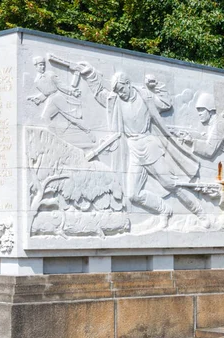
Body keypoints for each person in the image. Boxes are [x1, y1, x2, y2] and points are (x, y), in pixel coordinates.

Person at [76, 63, 209, 229]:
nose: (120, 93)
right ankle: (164, 210)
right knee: (133, 195)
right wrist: (90, 74)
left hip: (150, 147)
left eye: (121, 89)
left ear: (127, 84)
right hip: (134, 150)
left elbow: (166, 104)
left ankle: (200, 213)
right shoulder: (116, 100)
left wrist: (157, 87)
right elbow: (100, 94)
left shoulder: (145, 95)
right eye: (117, 91)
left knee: (170, 184)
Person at [27, 56, 93, 140]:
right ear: (35, 66)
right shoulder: (36, 81)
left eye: (43, 65)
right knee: (45, 118)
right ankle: (56, 137)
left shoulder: (49, 74)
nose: (42, 67)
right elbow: (46, 93)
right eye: (40, 65)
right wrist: (37, 98)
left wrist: (72, 91)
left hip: (58, 98)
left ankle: (88, 131)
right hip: (51, 100)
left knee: (72, 118)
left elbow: (60, 85)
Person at [188, 92, 224, 158]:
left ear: (210, 110)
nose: (199, 113)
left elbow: (209, 150)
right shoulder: (214, 124)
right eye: (198, 110)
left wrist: (191, 142)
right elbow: (211, 139)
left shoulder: (219, 125)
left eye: (202, 110)